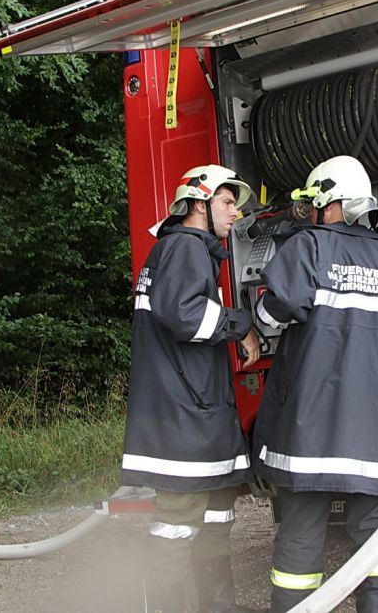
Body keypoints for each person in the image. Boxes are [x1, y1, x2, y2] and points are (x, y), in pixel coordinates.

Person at [252, 155, 378, 612]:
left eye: (313, 206)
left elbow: (273, 310)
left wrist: (256, 323)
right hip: (377, 435)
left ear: (332, 203)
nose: (310, 215)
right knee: (376, 539)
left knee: (301, 535)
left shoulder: (308, 247)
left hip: (311, 432)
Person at [121, 164, 261, 613]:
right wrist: (241, 325)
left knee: (215, 519)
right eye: (227, 202)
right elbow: (184, 315)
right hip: (184, 419)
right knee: (177, 526)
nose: (235, 212)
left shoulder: (184, 249)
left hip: (196, 416)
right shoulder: (184, 247)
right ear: (199, 204)